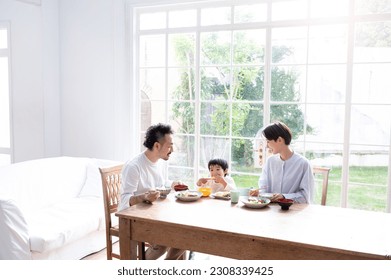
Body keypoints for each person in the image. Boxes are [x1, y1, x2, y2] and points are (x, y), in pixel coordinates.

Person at [119, 123, 185, 260]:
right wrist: (143, 197)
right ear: (156, 146)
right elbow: (124, 202)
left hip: (156, 215)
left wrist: (172, 184)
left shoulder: (157, 161)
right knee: (163, 242)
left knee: (187, 234)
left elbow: (160, 183)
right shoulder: (133, 166)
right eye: (169, 145)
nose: (172, 149)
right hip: (135, 219)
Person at [250, 121, 314, 203]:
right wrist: (259, 192)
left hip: (293, 211)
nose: (266, 145)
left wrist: (284, 197)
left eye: (268, 141)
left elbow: (306, 196)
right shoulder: (270, 162)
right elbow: (264, 186)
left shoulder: (303, 164)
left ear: (279, 140)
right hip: (271, 210)